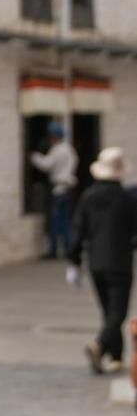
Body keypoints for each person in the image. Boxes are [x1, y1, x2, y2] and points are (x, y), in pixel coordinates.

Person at [68, 147, 137, 375]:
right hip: (120, 261)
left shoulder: (87, 197)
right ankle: (99, 345)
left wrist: (74, 259)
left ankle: (115, 356)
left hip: (96, 261)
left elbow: (78, 231)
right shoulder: (126, 199)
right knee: (118, 311)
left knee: (108, 310)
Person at [30, 121, 78, 259]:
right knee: (65, 220)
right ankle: (69, 248)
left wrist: (34, 157)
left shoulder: (58, 150)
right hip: (68, 187)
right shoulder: (69, 149)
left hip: (59, 188)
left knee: (55, 221)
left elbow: (47, 164)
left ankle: (54, 249)